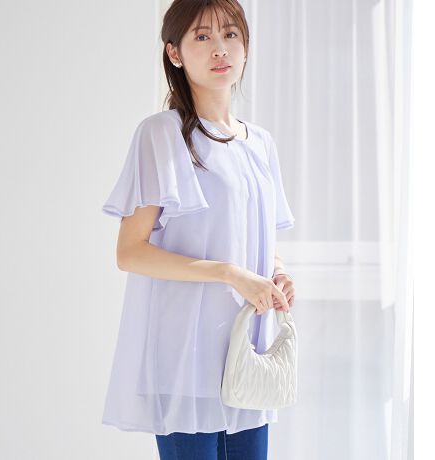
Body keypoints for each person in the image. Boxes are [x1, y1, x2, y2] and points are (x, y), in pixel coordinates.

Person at [101, 1, 296, 458]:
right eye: (202, 37)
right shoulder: (161, 133)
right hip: (184, 357)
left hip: (247, 355)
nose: (219, 49)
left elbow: (256, 238)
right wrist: (230, 274)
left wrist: (277, 274)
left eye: (230, 35)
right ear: (175, 53)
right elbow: (130, 251)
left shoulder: (260, 143)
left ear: (246, 46)